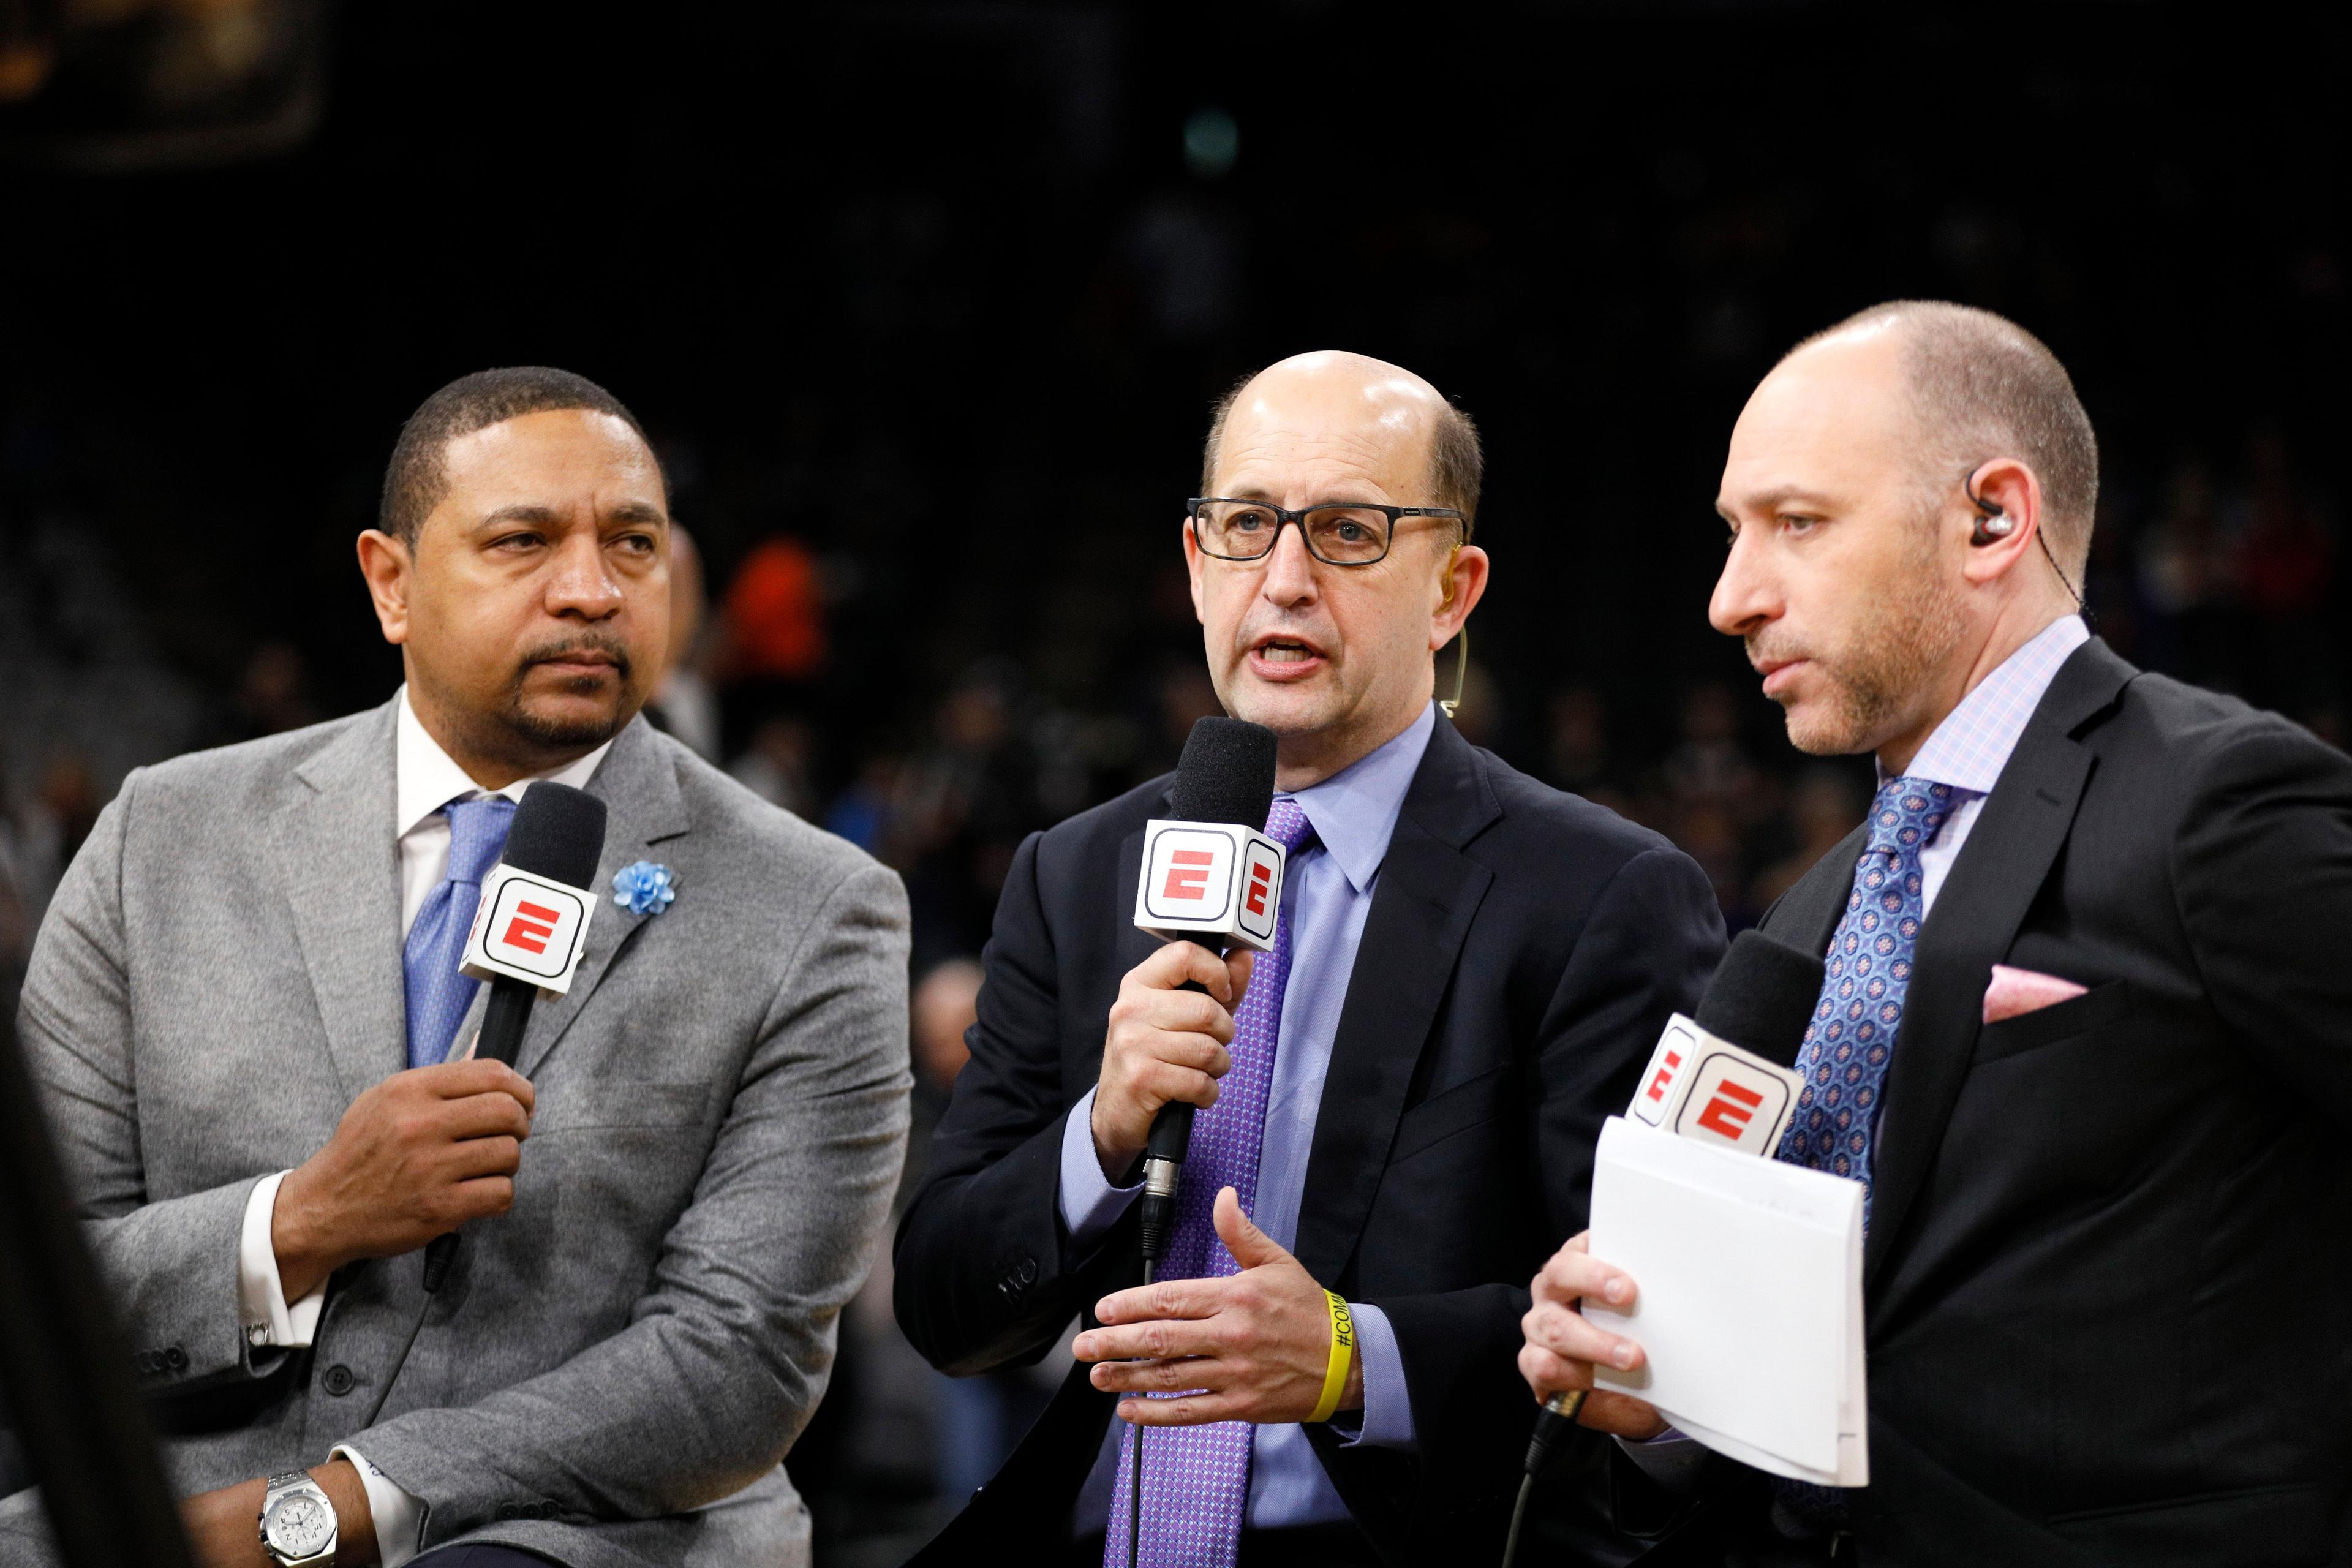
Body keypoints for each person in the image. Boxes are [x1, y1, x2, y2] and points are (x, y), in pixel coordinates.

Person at [3, 368, 912, 1568]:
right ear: (392, 582)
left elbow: (736, 1359)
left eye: (632, 545)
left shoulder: (815, 904)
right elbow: (38, 1283)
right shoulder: (162, 838)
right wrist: (304, 1219)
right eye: (523, 542)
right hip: (141, 1514)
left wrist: (335, 1508)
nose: (591, 589)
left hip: (573, 1534)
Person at [1518, 302, 2352, 1566]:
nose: (1730, 598)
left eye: (1796, 523)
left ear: (1992, 519)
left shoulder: (2215, 802)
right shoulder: (1822, 906)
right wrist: (1663, 1408)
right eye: (1734, 534)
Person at [894, 350, 1725, 1566]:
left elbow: (1642, 1332)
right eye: (1246, 525)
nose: (1283, 579)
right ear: (1195, 566)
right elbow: (946, 1305)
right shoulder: (1076, 873)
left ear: (1453, 588)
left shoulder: (1600, 895)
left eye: (1348, 531)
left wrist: (1349, 1357)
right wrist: (1102, 1134)